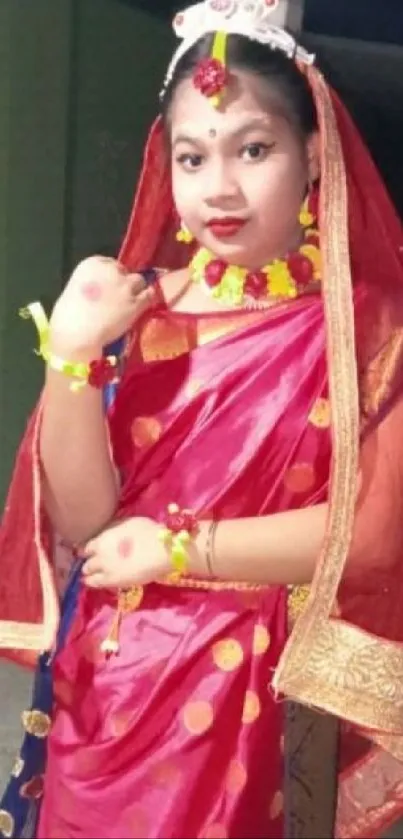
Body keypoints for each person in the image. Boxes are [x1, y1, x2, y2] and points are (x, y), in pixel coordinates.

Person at [1, 0, 403, 837]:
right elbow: (87, 522)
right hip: (107, 681)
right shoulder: (136, 309)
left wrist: (181, 547)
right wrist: (70, 361)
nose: (217, 188)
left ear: (313, 153)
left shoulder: (366, 329)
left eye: (253, 149)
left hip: (254, 688)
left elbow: (368, 536)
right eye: (192, 156)